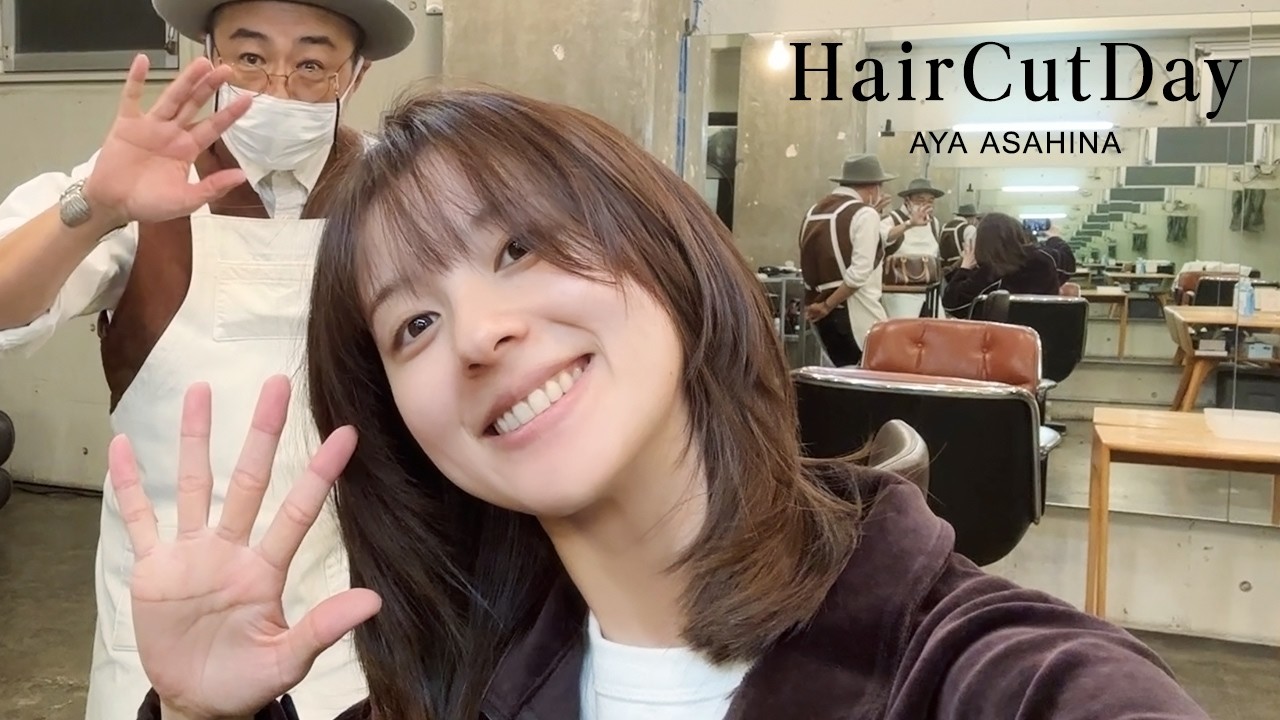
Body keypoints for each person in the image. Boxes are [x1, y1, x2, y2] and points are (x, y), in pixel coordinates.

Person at [105, 88, 1211, 720]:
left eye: (519, 247)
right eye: (415, 324)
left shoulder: (993, 679)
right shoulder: (461, 686)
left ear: (666, 250)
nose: (480, 333)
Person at [0, 2, 414, 719]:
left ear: (357, 74)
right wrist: (95, 206)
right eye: (250, 58)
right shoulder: (138, 181)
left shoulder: (397, 193)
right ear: (208, 56)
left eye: (311, 64)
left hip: (346, 632)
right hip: (163, 633)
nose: (277, 87)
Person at [799, 155, 895, 366]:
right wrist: (828, 305)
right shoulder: (865, 214)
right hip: (857, 312)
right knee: (868, 375)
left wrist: (823, 305)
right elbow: (859, 274)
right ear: (873, 189)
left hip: (819, 311)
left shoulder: (813, 211)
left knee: (840, 371)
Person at [942, 212, 1063, 317]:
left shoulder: (990, 273)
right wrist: (1055, 238)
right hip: (1045, 334)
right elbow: (1067, 261)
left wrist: (964, 267)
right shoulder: (1045, 261)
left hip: (1002, 336)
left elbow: (952, 305)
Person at [880, 177, 943, 318]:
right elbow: (884, 238)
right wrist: (910, 224)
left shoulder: (934, 223)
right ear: (907, 201)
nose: (926, 205)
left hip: (929, 292)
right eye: (920, 200)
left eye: (930, 201)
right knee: (903, 329)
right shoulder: (892, 219)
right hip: (899, 294)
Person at [937, 203, 980, 279]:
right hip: (962, 271)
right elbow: (970, 252)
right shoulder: (969, 228)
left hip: (944, 272)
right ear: (971, 218)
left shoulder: (944, 226)